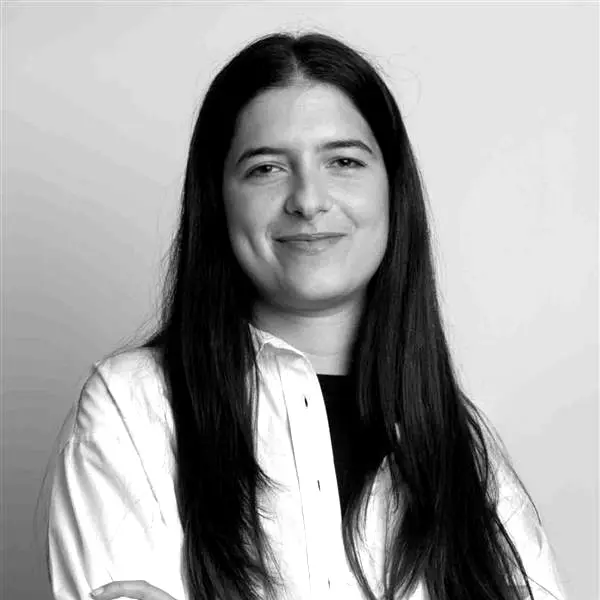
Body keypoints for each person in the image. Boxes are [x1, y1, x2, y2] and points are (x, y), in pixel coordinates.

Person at [45, 32, 567, 600]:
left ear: (393, 190)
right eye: (266, 168)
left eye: (343, 161)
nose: (309, 200)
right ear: (218, 199)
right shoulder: (132, 408)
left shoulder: (463, 447)